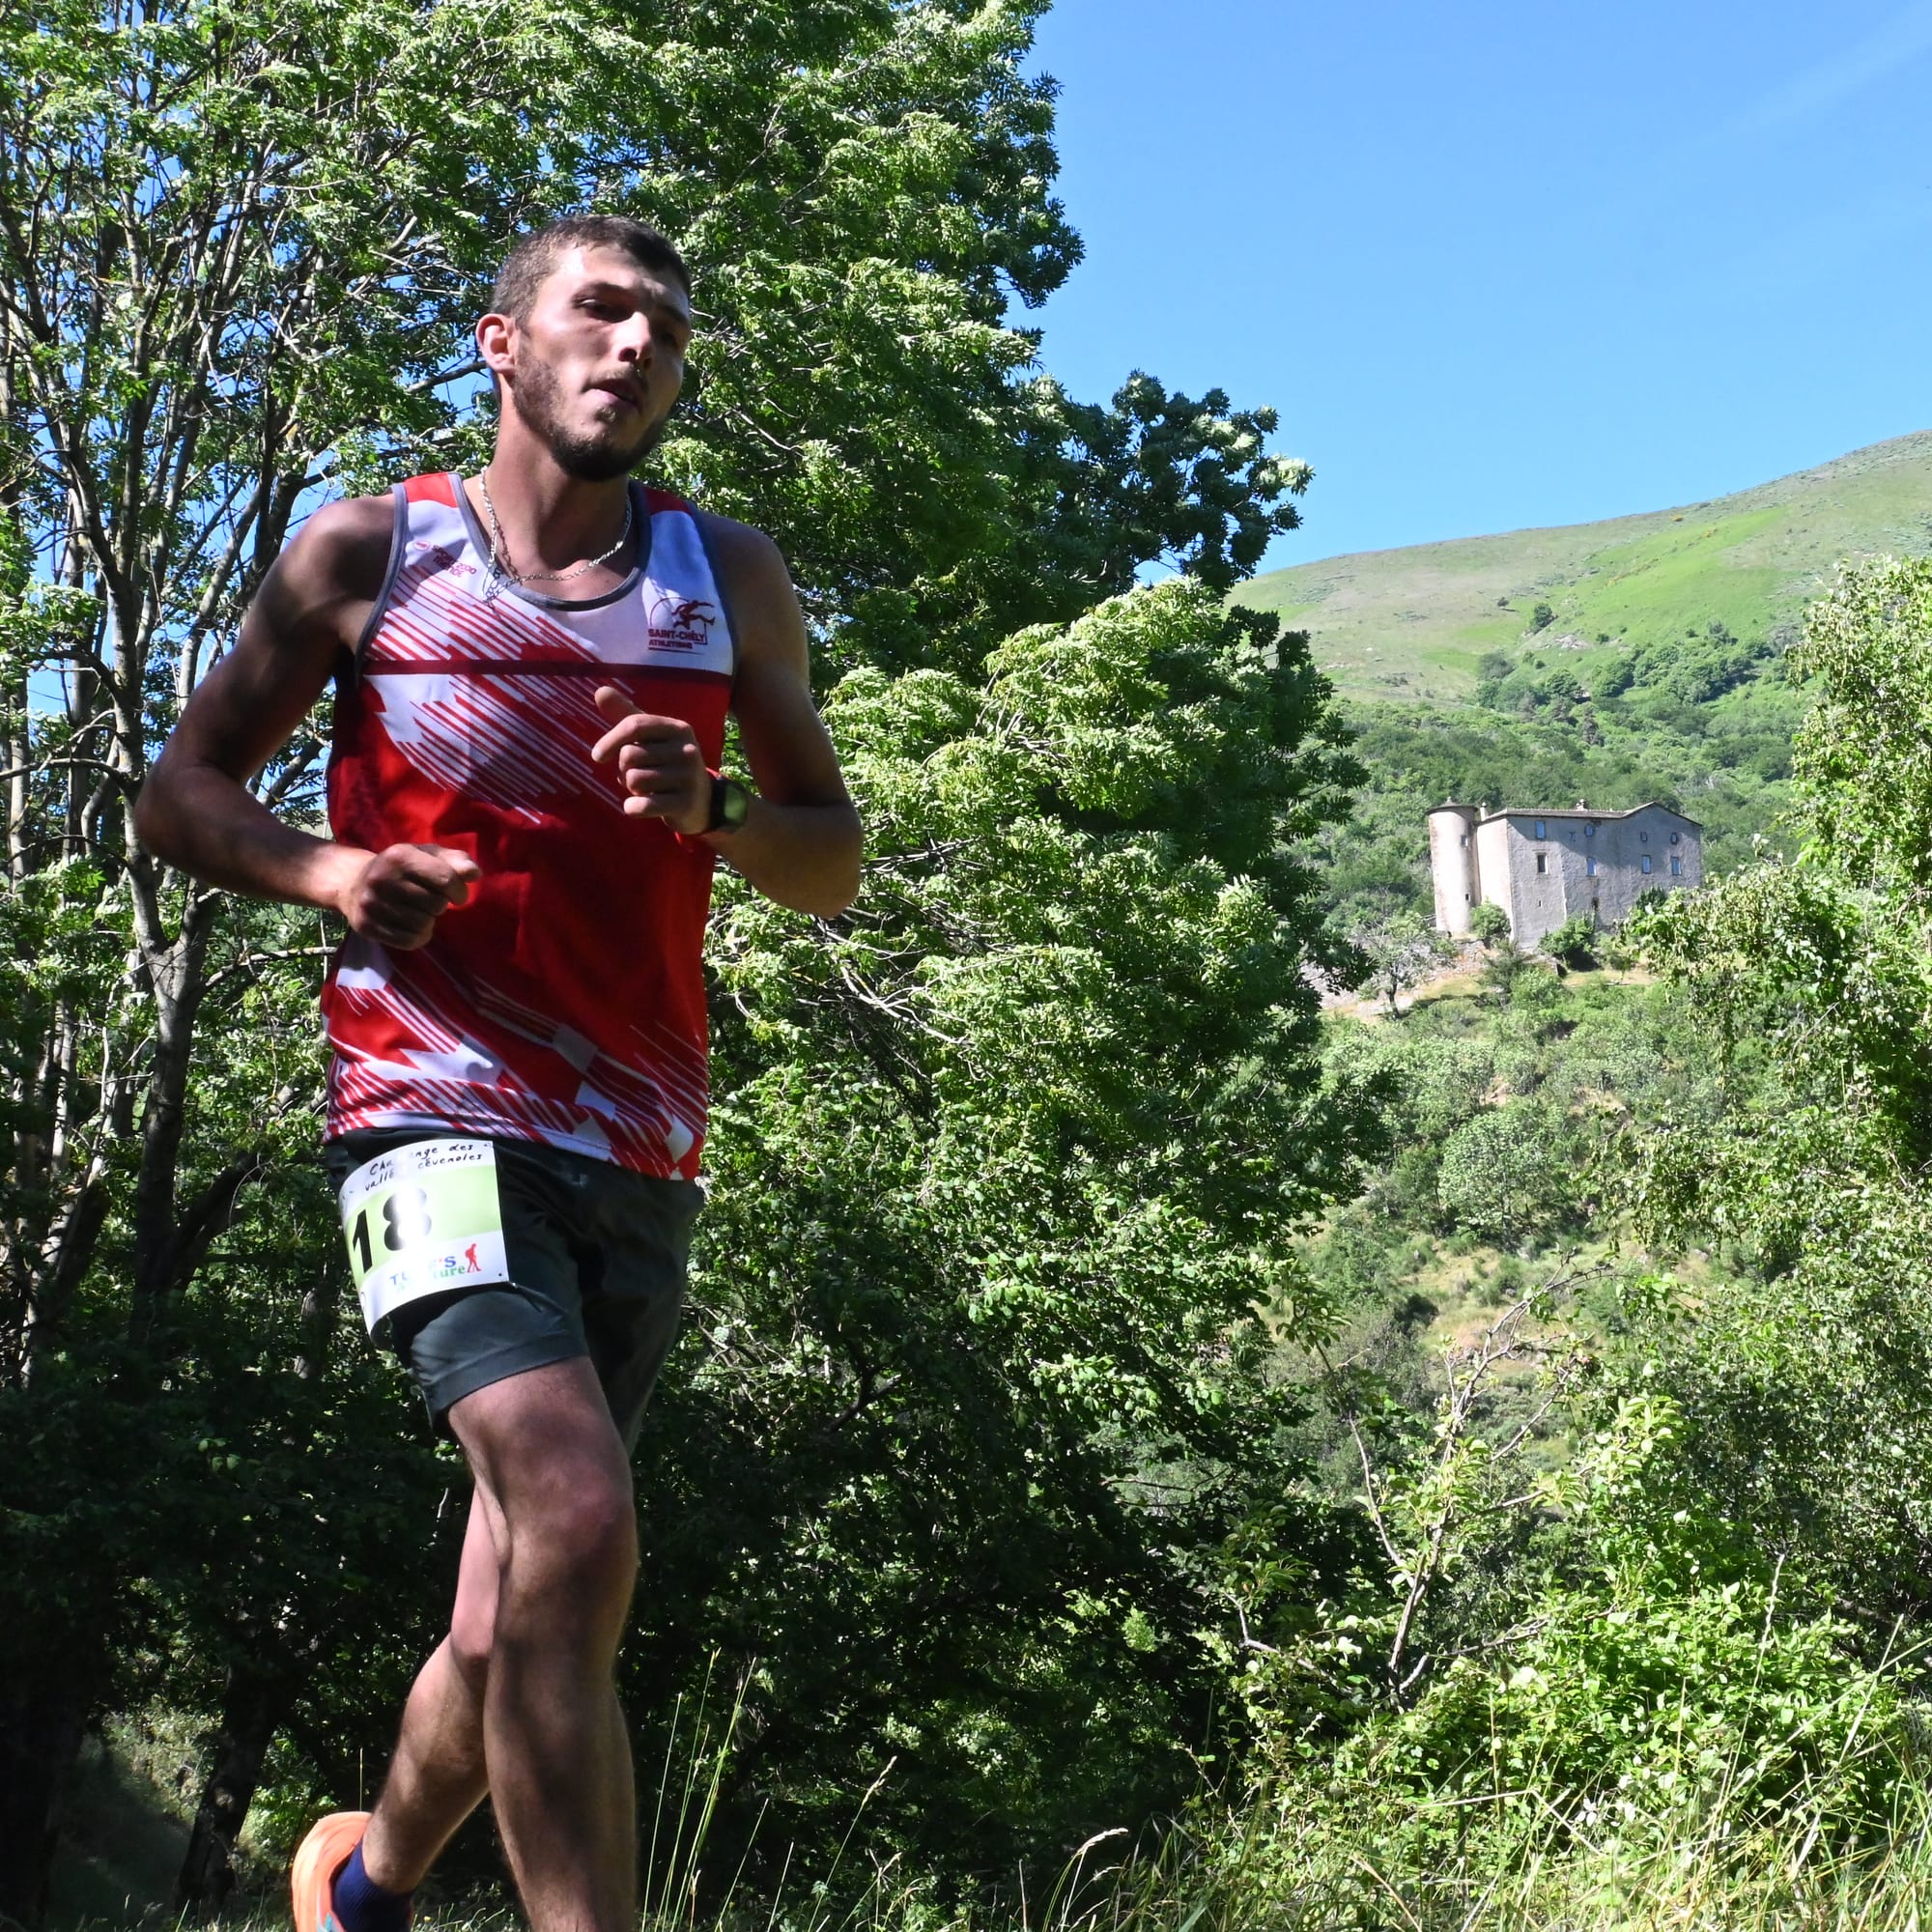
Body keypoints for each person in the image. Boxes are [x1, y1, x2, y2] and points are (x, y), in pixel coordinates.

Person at [136, 213, 863, 1932]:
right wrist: (326, 874)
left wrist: (727, 813)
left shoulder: (725, 577)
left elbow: (830, 855)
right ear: (504, 345)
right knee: (577, 1510)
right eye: (601, 313)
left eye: (668, 333)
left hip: (639, 1139)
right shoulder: (373, 555)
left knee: (516, 1610)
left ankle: (362, 1888)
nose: (637, 350)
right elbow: (180, 794)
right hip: (425, 1109)